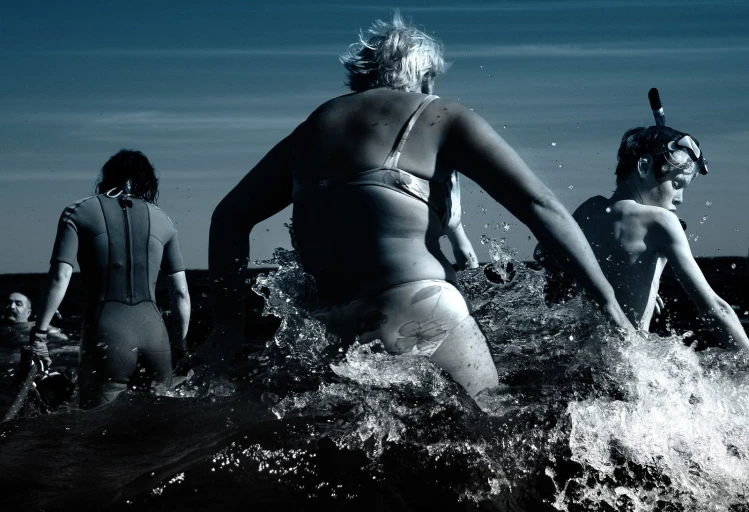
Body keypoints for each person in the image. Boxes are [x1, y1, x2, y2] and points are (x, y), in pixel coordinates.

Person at [198, 13, 632, 398]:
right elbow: (540, 204)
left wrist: (226, 328)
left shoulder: (312, 128)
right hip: (419, 304)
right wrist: (608, 303)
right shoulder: (438, 114)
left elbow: (228, 218)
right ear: (424, 78)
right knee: (491, 428)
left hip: (334, 324)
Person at [536, 126, 749, 350]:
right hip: (629, 361)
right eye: (676, 184)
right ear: (645, 166)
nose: (680, 198)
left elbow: (544, 254)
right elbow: (712, 307)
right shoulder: (662, 221)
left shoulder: (590, 208)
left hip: (582, 352)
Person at [31, 150, 192, 408]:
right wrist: (181, 347)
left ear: (108, 177)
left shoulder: (78, 212)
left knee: (98, 431)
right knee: (158, 429)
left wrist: (39, 337)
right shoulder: (164, 220)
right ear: (146, 181)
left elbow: (61, 276)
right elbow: (181, 294)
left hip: (107, 332)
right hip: (156, 337)